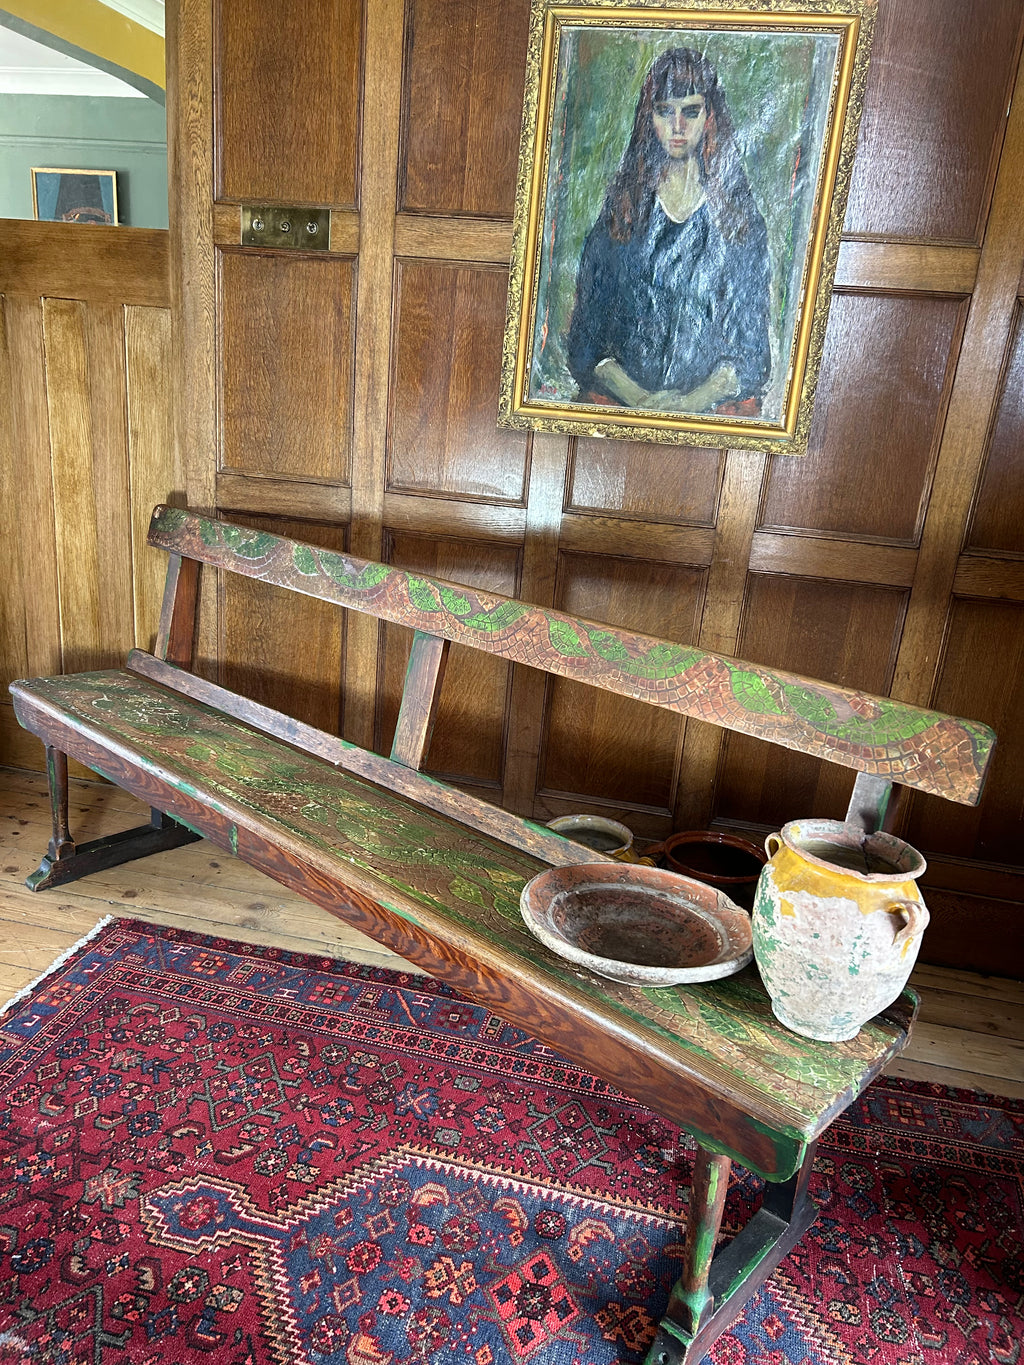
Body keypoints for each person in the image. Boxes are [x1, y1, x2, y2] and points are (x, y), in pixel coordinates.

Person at [564, 47, 771, 416]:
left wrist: (689, 403)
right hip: (624, 408)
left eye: (690, 112)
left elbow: (752, 356)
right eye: (665, 111)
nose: (678, 127)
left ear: (710, 118)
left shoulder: (740, 222)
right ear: (649, 118)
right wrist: (642, 401)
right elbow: (585, 345)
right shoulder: (620, 216)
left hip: (707, 414)